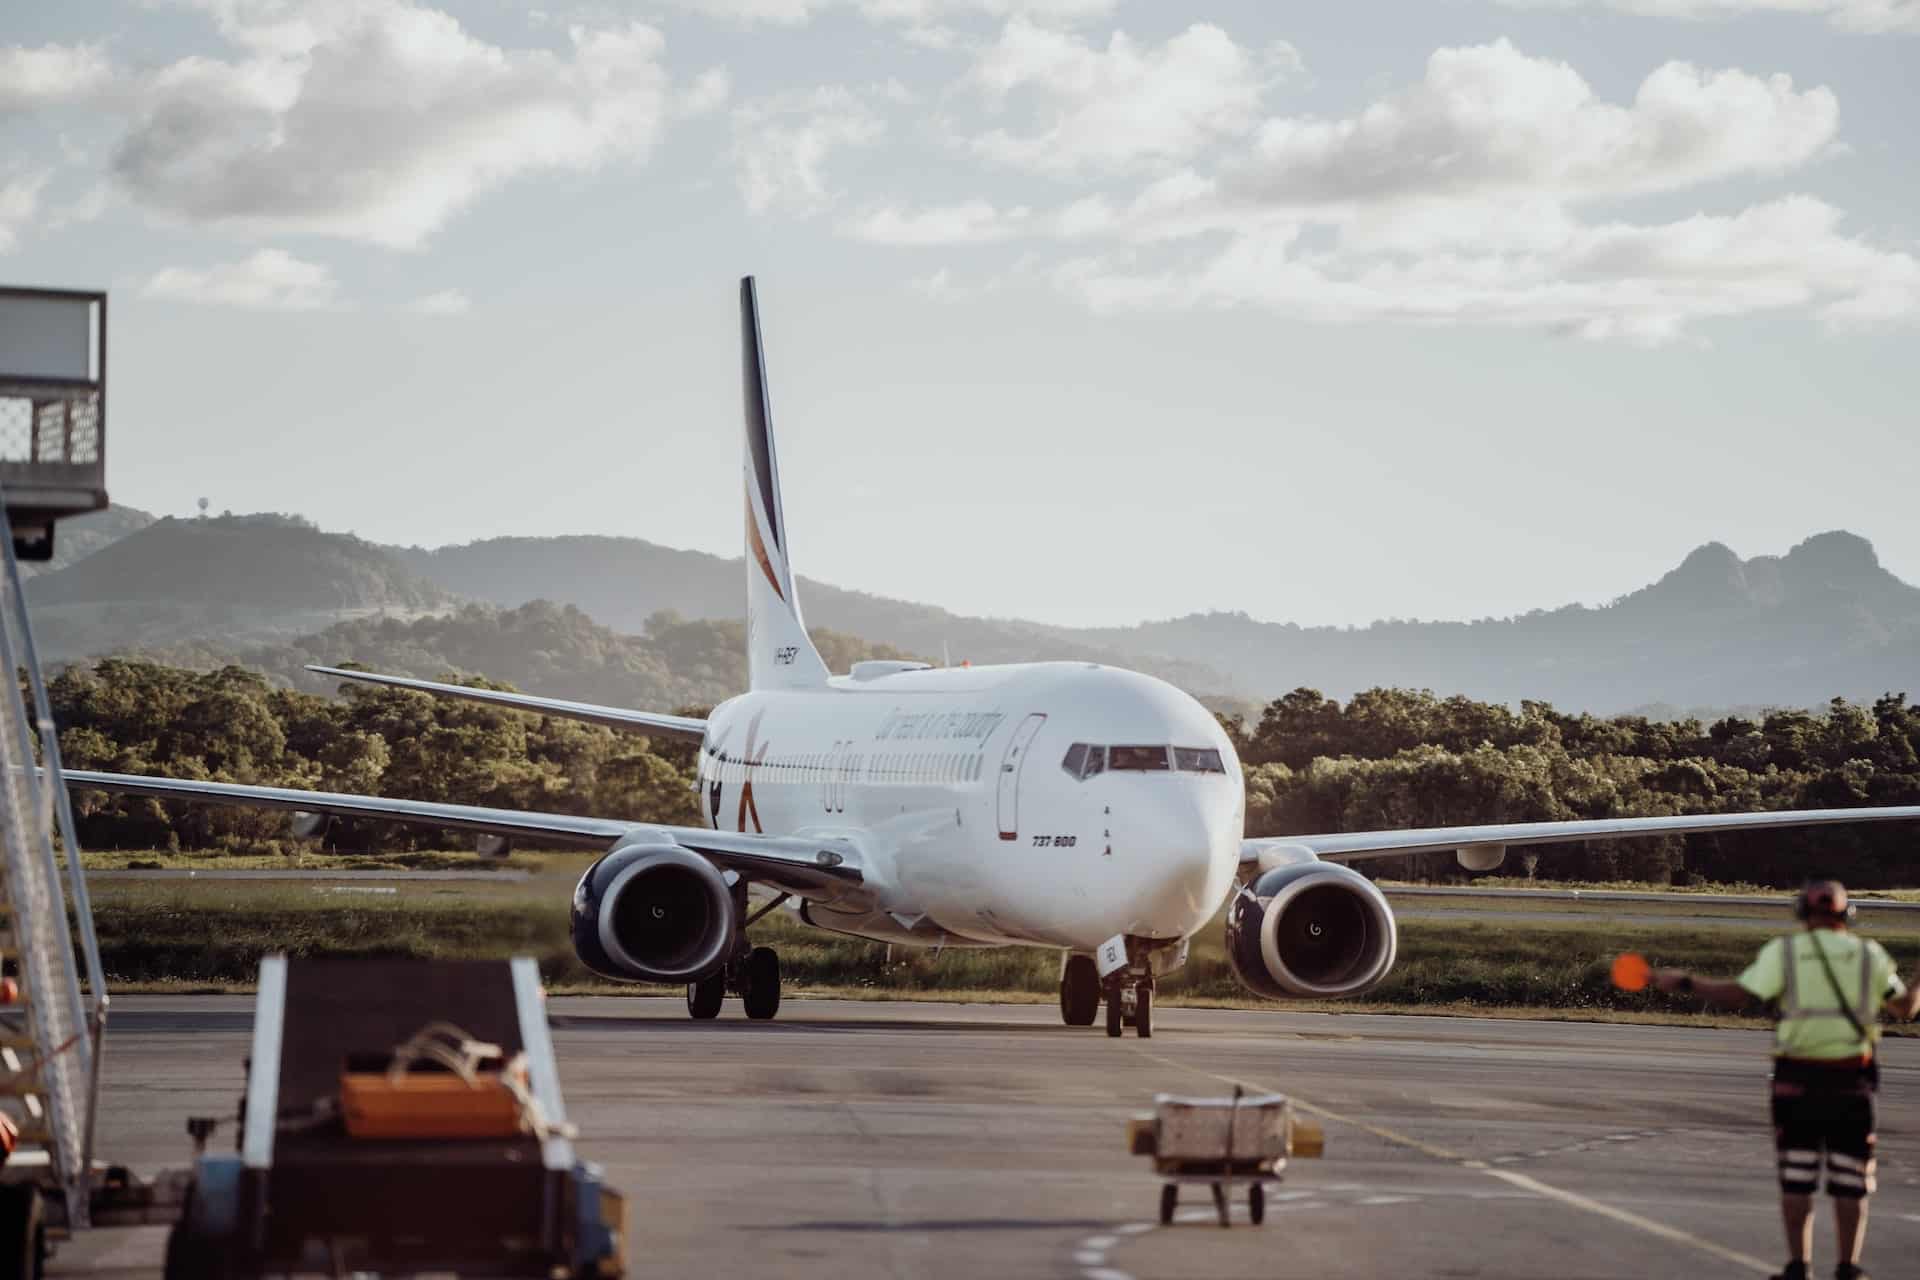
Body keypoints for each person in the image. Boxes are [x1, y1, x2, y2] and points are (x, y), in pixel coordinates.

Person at [1654, 879, 1920, 1280]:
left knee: (1798, 1176)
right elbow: (1906, 1008)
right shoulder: (1870, 956)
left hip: (1797, 1079)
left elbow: (1739, 995)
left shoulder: (1787, 953)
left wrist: (1687, 982)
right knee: (1852, 1179)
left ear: (1802, 911)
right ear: (1847, 913)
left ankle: (1798, 1266)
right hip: (1852, 1080)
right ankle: (1849, 1268)